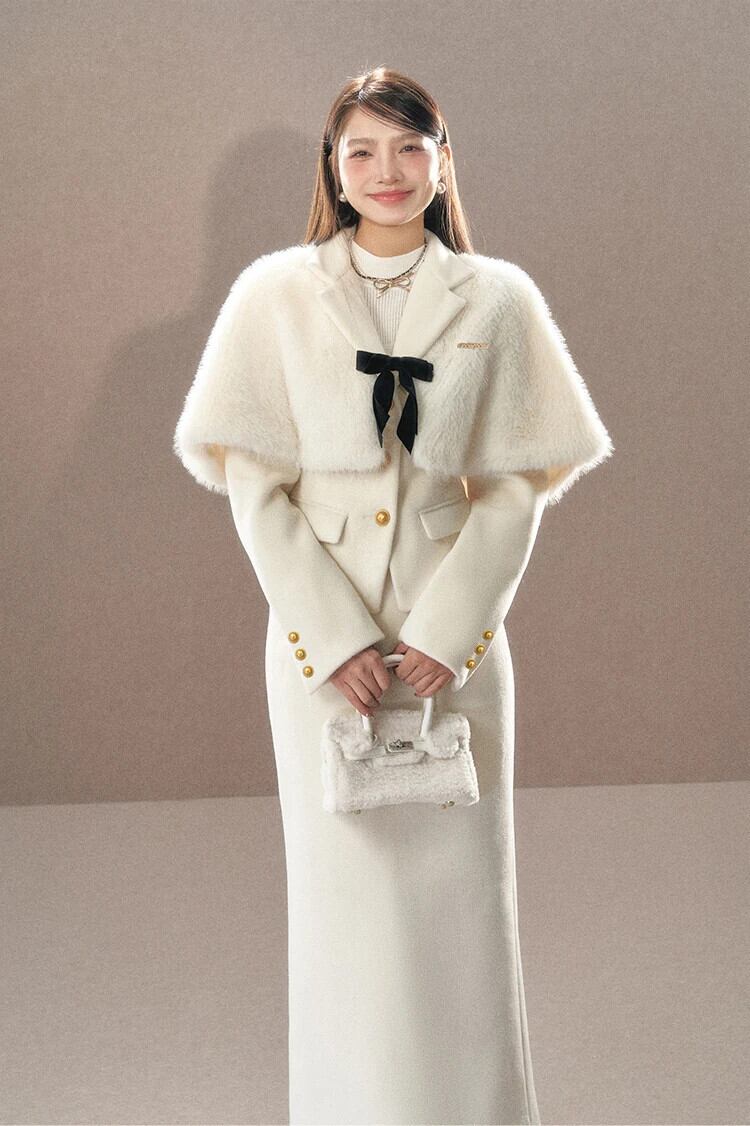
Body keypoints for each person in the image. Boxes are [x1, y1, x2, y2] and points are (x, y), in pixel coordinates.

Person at [173, 65, 613, 1126]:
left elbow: (514, 491)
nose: (387, 170)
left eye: (410, 147)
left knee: (462, 916)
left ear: (443, 162)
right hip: (321, 658)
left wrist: (447, 636)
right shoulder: (275, 296)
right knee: (342, 915)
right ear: (332, 168)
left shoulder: (497, 298)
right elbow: (256, 489)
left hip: (453, 650)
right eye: (361, 149)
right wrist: (331, 639)